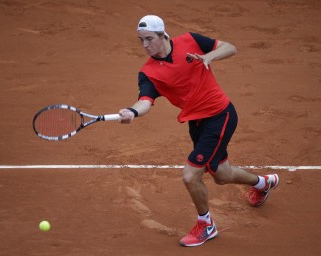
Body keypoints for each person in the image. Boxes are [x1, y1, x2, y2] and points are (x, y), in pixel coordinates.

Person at [118, 15, 279, 247]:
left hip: (220, 115)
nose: (145, 45)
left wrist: (207, 57)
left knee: (190, 175)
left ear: (163, 35)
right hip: (197, 123)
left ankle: (206, 225)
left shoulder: (190, 40)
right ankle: (263, 183)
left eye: (149, 39)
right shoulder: (149, 72)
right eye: (141, 40)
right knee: (221, 174)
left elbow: (230, 48)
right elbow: (144, 101)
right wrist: (132, 112)